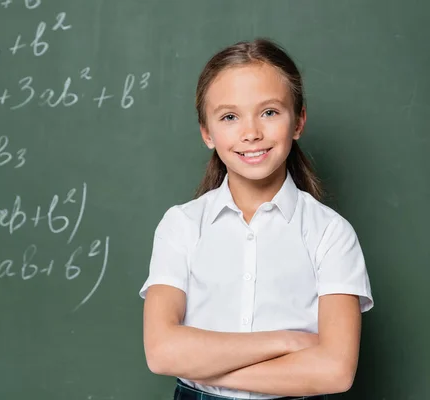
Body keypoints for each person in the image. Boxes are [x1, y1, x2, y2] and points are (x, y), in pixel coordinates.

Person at [139, 38, 374, 400]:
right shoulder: (181, 226)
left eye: (269, 112)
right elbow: (161, 352)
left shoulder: (330, 233)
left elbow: (335, 371)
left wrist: (207, 366)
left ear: (298, 121)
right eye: (229, 117)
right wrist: (288, 342)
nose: (251, 133)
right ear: (207, 132)